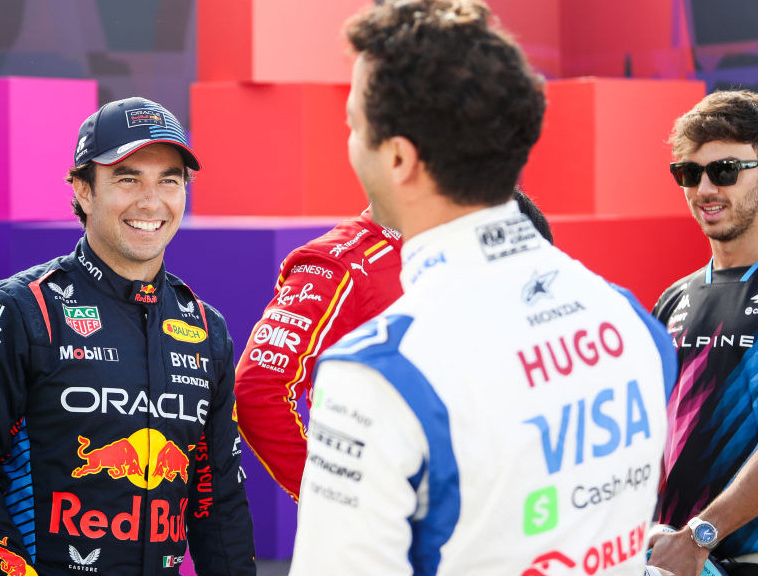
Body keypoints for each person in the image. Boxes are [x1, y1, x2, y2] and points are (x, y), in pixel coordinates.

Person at [287, 1, 677, 575]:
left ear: (398, 157)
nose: (349, 141)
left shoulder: (376, 374)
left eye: (353, 124)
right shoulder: (631, 320)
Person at [0, 96, 255, 576]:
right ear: (84, 190)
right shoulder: (20, 309)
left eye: (169, 181)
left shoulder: (205, 327)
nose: (151, 202)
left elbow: (218, 501)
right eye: (128, 179)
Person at [234, 190, 553, 501]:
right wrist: (336, 499)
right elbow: (259, 387)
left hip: (481, 501)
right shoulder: (339, 265)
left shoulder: (469, 244)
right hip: (390, 516)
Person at [648, 90, 758, 576]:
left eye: (726, 170)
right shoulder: (674, 298)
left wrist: (700, 535)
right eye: (689, 174)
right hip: (676, 562)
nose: (705, 188)